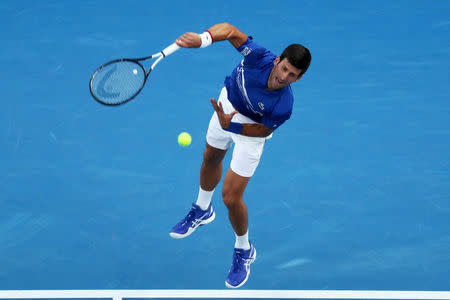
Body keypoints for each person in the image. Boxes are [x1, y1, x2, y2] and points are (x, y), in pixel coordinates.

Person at [169, 22, 311, 289]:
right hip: (227, 105)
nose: (284, 77)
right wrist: (203, 39)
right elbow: (230, 31)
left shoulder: (284, 105)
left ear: (299, 78)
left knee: (231, 197)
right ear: (277, 60)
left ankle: (244, 250)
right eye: (283, 68)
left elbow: (261, 130)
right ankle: (202, 209)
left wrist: (230, 126)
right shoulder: (258, 56)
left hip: (248, 132)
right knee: (211, 156)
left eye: (292, 75)